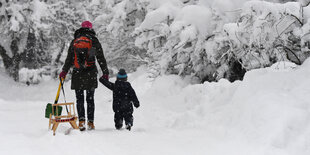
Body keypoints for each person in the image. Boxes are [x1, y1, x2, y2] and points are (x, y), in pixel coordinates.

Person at [59, 21, 109, 131]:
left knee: (79, 98)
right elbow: (100, 57)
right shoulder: (94, 40)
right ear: (91, 28)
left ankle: (81, 121)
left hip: (78, 73)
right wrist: (105, 72)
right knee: (90, 99)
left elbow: (69, 58)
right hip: (90, 73)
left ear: (81, 28)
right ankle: (90, 122)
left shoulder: (75, 41)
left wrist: (64, 71)